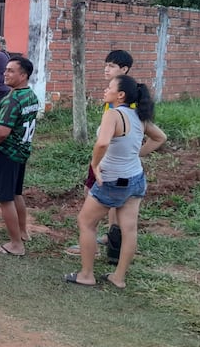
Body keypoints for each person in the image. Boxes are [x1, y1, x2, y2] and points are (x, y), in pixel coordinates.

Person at [64, 74, 166, 288]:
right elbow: (160, 137)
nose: (105, 90)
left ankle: (86, 275)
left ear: (120, 95)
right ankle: (118, 278)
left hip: (112, 181)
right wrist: (137, 154)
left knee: (86, 222)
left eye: (109, 87)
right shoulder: (139, 116)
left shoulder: (113, 114)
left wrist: (94, 164)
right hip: (135, 179)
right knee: (129, 229)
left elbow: (102, 144)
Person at [65, 49, 135, 260]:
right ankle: (111, 237)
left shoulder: (124, 100)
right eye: (106, 64)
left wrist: (96, 163)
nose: (106, 69)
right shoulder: (114, 97)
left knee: (93, 198)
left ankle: (92, 243)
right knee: (116, 202)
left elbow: (108, 140)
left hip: (108, 162)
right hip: (115, 162)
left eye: (112, 66)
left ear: (124, 70)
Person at [0, 57, 39, 256]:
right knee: (16, 194)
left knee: (5, 198)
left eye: (11, 71)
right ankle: (22, 232)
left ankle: (16, 244)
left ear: (23, 76)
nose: (5, 73)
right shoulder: (30, 96)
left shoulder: (13, 100)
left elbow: (2, 132)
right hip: (21, 152)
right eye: (5, 70)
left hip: (6, 153)